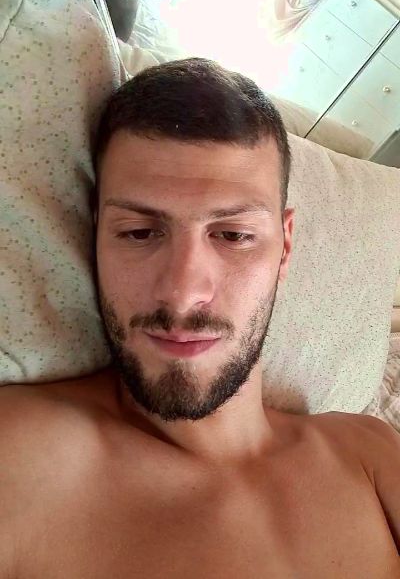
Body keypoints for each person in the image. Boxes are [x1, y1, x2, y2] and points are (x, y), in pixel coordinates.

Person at [0, 58, 399, 578]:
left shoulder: (369, 453)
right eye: (139, 232)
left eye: (233, 235)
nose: (183, 293)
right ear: (95, 233)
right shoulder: (19, 459)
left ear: (285, 246)